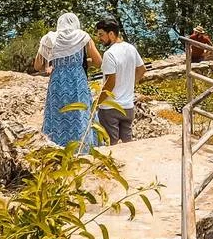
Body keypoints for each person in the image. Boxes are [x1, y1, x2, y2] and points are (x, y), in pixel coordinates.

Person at [34, 12, 102, 149]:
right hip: (77, 80)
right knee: (80, 113)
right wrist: (79, 63)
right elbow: (98, 61)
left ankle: (57, 148)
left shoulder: (49, 38)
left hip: (58, 81)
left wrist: (55, 65)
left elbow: (37, 66)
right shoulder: (83, 36)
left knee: (58, 114)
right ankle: (83, 148)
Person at [95, 18, 146, 145]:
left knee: (110, 145)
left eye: (101, 34)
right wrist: (130, 84)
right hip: (128, 106)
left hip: (110, 108)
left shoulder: (109, 54)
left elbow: (110, 83)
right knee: (128, 144)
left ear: (111, 34)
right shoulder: (131, 48)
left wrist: (96, 103)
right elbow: (142, 69)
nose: (99, 38)